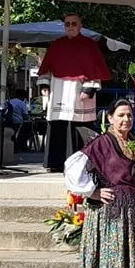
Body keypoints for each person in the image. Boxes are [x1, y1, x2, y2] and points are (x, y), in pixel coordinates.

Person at [64, 99, 135, 268]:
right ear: (111, 118)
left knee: (133, 258)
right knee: (114, 259)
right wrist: (93, 191)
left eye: (129, 115)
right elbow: (73, 168)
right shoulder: (102, 143)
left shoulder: (134, 143)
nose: (126, 119)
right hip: (113, 215)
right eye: (121, 115)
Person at [37, 13, 111, 172]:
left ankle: (79, 163)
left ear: (80, 26)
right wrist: (44, 85)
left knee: (77, 126)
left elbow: (95, 69)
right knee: (58, 125)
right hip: (58, 90)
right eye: (67, 24)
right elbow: (46, 68)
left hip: (79, 92)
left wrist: (88, 88)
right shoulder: (57, 45)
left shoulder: (89, 45)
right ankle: (56, 163)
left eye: (74, 23)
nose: (70, 26)